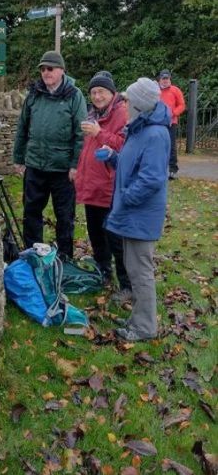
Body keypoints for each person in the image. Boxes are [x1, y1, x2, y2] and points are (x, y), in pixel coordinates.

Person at [102, 77, 171, 342]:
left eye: (129, 99)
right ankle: (139, 318)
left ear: (140, 104)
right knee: (133, 268)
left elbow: (152, 179)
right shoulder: (139, 128)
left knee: (140, 272)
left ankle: (144, 327)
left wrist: (127, 198)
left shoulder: (154, 133)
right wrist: (113, 157)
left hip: (140, 214)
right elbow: (133, 166)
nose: (125, 103)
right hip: (133, 212)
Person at [12, 50, 87, 258]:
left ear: (61, 71)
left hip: (62, 169)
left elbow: (80, 133)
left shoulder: (74, 96)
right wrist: (18, 158)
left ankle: (64, 258)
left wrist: (75, 165)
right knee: (31, 213)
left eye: (50, 69)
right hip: (35, 165)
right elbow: (22, 127)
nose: (46, 73)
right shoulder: (34, 94)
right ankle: (33, 256)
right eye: (43, 69)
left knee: (65, 216)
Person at [75, 71, 131, 299]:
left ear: (112, 93)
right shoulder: (93, 113)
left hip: (111, 187)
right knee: (96, 234)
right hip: (92, 186)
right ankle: (103, 272)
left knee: (115, 238)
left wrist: (100, 133)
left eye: (101, 92)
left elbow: (124, 145)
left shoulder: (122, 114)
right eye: (94, 92)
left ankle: (127, 284)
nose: (97, 96)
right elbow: (88, 149)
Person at [157, 69, 185, 180]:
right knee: (157, 146)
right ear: (160, 79)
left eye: (167, 78)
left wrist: (173, 113)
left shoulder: (175, 90)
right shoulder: (155, 90)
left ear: (170, 79)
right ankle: (159, 168)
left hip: (171, 123)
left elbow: (182, 105)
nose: (165, 81)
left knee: (171, 146)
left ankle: (172, 170)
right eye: (163, 79)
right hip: (157, 123)